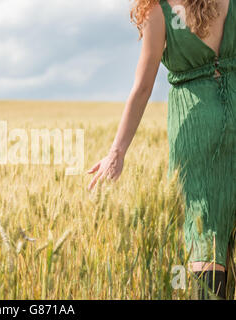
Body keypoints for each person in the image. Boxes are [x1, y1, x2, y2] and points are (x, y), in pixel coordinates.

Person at [87, 0, 235, 299]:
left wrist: (116, 152)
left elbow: (142, 88)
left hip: (197, 127)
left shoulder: (158, 10)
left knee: (203, 225)